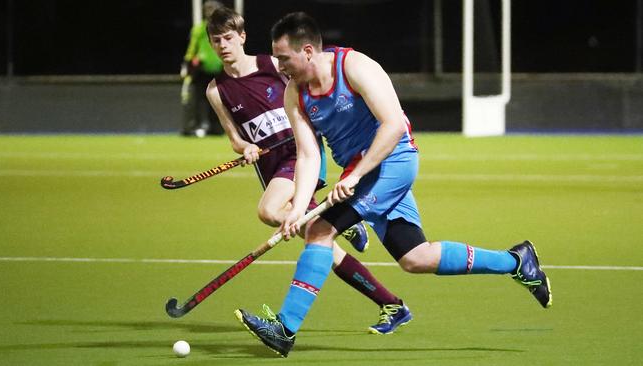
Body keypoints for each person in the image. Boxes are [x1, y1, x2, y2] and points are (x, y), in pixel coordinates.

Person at [234, 12, 553, 358]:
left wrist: (355, 177)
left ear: (307, 51)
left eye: (284, 58)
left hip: (392, 162)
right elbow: (309, 156)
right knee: (415, 258)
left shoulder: (354, 67)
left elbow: (393, 125)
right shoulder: (294, 95)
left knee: (320, 231)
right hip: (361, 171)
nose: (279, 66)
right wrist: (296, 209)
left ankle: (285, 328)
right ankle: (517, 262)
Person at [204, 7, 413, 338]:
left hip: (299, 156)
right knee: (346, 245)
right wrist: (245, 148)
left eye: (228, 38)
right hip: (277, 163)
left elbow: (310, 137)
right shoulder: (217, 90)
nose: (223, 45)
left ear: (242, 37)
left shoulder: (272, 64)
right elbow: (236, 138)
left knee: (276, 213)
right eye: (216, 41)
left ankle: (285, 328)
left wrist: (311, 200)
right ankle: (391, 302)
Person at [180, 0, 224, 137]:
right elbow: (192, 48)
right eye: (208, 9)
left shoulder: (224, 29)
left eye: (212, 9)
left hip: (220, 68)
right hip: (201, 68)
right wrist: (187, 64)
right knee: (197, 99)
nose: (210, 12)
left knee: (219, 100)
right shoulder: (199, 29)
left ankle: (216, 128)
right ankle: (193, 127)